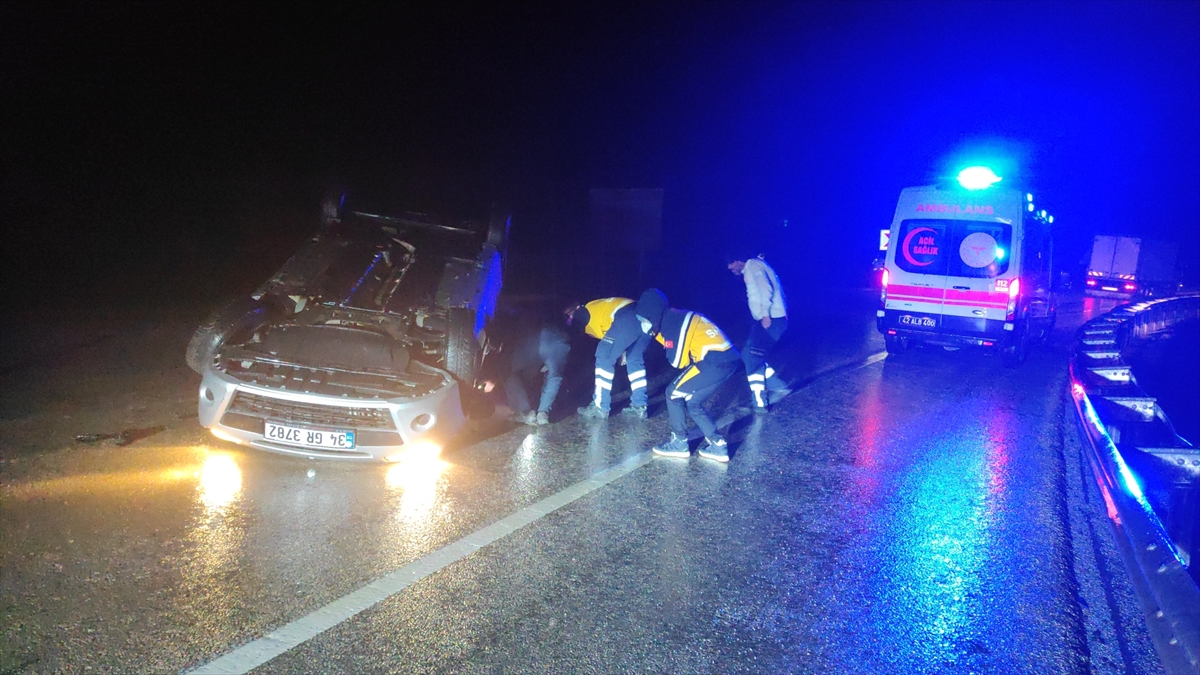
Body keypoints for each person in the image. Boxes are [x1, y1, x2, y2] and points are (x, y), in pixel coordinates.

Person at [650, 308, 742, 463]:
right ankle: (718, 446)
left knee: (673, 394)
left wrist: (667, 342)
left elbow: (679, 362)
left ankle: (679, 443)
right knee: (693, 403)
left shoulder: (673, 323)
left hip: (713, 361)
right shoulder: (676, 316)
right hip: (729, 359)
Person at [567, 288, 668, 419]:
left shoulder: (583, 312)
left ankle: (600, 406)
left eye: (569, 315)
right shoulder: (599, 310)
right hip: (645, 321)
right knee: (634, 361)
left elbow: (578, 320)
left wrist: (570, 322)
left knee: (604, 355)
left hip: (626, 316)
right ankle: (639, 406)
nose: (569, 318)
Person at [479, 313, 571, 426]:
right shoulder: (563, 327)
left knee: (508, 372)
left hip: (537, 340)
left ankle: (526, 412)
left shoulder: (508, 325)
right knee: (553, 377)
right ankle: (542, 414)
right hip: (558, 343)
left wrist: (493, 379)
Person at [727, 253, 790, 413]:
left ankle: (760, 402)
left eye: (731, 263)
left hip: (771, 318)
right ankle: (777, 386)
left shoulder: (753, 266)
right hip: (771, 318)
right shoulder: (755, 266)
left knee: (751, 356)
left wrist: (765, 315)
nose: (730, 268)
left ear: (738, 260)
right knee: (751, 355)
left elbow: (766, 289)